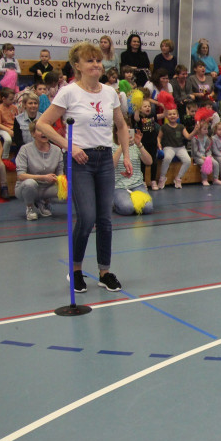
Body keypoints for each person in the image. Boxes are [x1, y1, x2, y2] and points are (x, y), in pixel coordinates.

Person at [38, 41, 132, 294]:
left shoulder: (110, 93)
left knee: (105, 219)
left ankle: (104, 272)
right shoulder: (69, 92)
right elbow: (43, 124)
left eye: (98, 60)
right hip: (80, 161)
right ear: (77, 66)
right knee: (87, 217)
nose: (96, 65)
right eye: (90, 60)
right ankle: (76, 269)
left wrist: (125, 154)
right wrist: (69, 146)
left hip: (105, 159)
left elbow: (121, 125)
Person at [14, 121, 63, 221]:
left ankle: (44, 202)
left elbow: (60, 174)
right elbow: (21, 176)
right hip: (27, 187)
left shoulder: (57, 150)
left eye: (46, 130)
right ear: (33, 133)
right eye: (40, 130)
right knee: (30, 183)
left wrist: (57, 179)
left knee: (69, 190)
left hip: (47, 188)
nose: (44, 133)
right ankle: (30, 207)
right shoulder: (25, 149)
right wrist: (43, 177)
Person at [112, 128, 155, 215]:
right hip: (119, 186)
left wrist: (139, 145)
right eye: (124, 131)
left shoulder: (135, 146)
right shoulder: (112, 146)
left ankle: (128, 202)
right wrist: (122, 146)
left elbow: (149, 162)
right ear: (117, 132)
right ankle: (114, 203)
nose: (127, 134)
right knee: (127, 208)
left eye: (129, 131)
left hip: (137, 185)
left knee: (148, 208)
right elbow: (111, 166)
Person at [156, 107, 193, 189]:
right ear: (166, 116)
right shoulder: (164, 127)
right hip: (168, 147)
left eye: (174, 114)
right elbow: (159, 137)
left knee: (187, 160)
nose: (172, 115)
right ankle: (162, 177)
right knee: (167, 158)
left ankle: (178, 178)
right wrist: (158, 143)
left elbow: (188, 137)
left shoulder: (181, 126)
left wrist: (195, 131)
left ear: (177, 116)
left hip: (180, 148)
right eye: (170, 114)